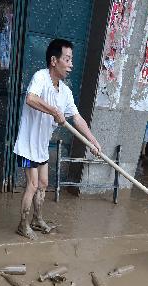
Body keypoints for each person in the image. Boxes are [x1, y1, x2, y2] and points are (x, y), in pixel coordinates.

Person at [12, 39, 101, 240]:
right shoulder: (40, 77)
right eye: (67, 59)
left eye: (71, 60)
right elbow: (30, 99)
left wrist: (92, 141)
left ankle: (37, 219)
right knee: (33, 184)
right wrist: (54, 111)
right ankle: (22, 224)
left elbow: (77, 118)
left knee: (43, 183)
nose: (71, 65)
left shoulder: (66, 92)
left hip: (42, 146)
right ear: (54, 60)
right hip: (27, 145)